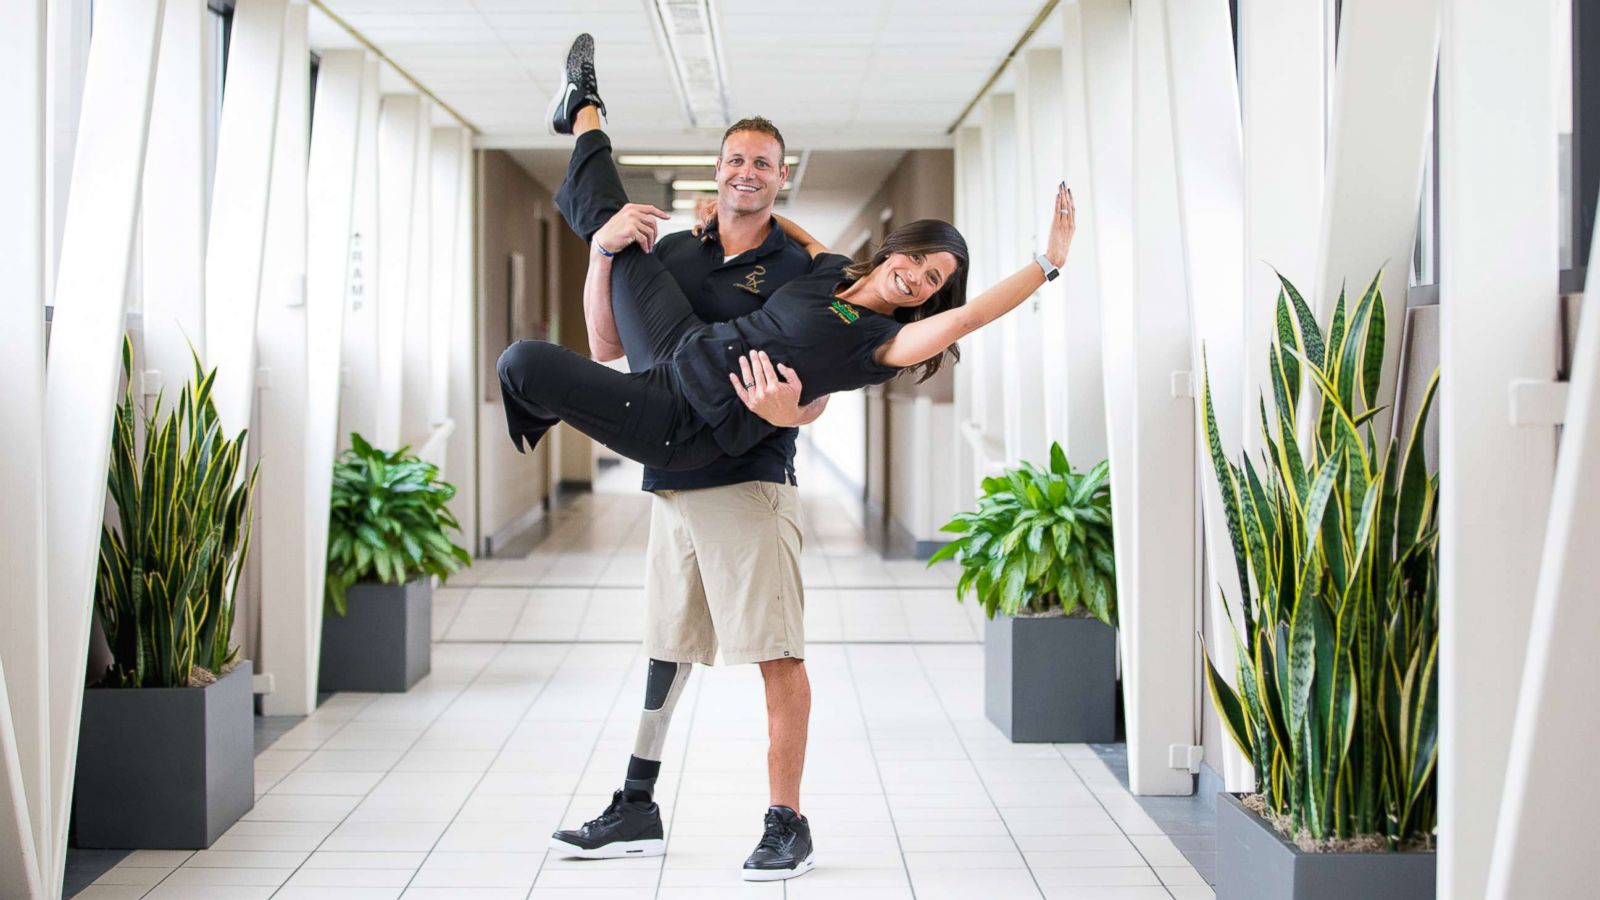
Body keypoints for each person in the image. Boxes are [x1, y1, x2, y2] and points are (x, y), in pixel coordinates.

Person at [513, 34, 1077, 881]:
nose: (918, 278)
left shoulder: (888, 337)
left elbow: (956, 326)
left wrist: (1043, 266)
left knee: (775, 653)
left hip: (740, 471)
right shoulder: (814, 268)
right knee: (667, 642)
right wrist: (621, 247)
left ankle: (788, 822)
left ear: (783, 171)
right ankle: (584, 111)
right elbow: (609, 337)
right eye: (915, 261)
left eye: (934, 278)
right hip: (674, 401)